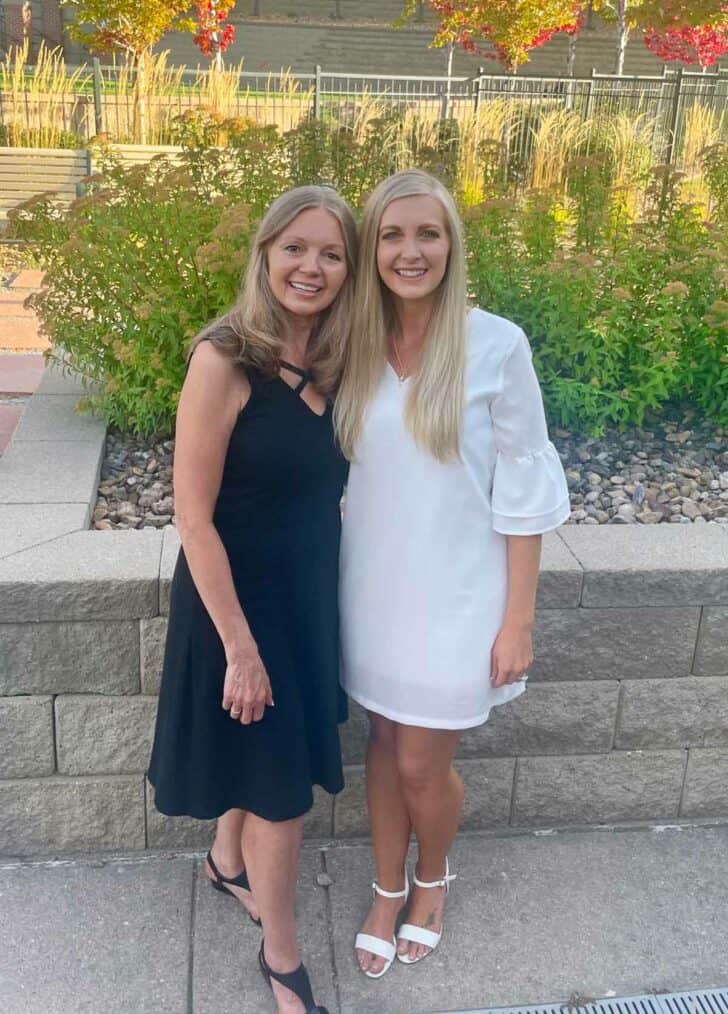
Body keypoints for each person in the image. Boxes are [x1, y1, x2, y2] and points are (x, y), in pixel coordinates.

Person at [334, 169, 570, 978]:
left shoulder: (496, 344)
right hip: (369, 588)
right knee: (381, 742)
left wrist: (519, 620)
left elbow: (526, 486)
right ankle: (384, 885)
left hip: (460, 596)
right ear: (372, 249)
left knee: (419, 762)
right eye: (393, 235)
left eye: (427, 234)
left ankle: (430, 884)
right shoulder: (352, 343)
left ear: (452, 244)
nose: (410, 251)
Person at [148, 185, 357, 1014]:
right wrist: (239, 647)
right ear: (265, 252)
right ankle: (283, 956)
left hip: (305, 601)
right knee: (279, 789)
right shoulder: (224, 358)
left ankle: (225, 864)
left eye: (332, 253)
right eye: (296, 247)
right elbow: (192, 519)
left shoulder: (341, 364)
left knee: (264, 756)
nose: (311, 266)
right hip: (235, 606)